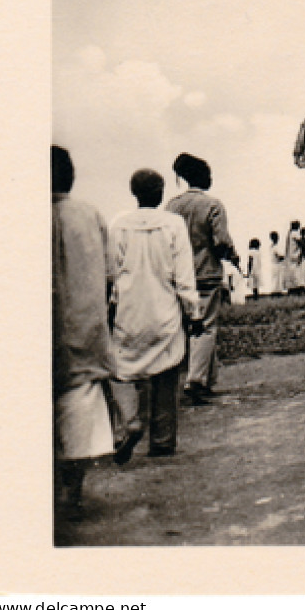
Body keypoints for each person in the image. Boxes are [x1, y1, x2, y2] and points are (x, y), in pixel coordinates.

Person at [108, 168, 201, 462]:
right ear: (161, 193)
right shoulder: (173, 224)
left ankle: (130, 421)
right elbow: (184, 276)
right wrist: (193, 312)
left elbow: (111, 274)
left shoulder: (119, 225)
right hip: (165, 312)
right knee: (166, 370)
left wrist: (111, 305)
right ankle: (162, 440)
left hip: (129, 312)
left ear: (134, 193)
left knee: (121, 369)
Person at [51, 146, 116, 516]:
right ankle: (71, 493)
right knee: (77, 415)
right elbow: (108, 274)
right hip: (83, 332)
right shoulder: (89, 214)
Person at [165, 153, 235, 405]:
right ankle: (195, 381)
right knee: (206, 327)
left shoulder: (172, 206)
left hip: (180, 276)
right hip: (206, 273)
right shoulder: (213, 205)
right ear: (202, 177)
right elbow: (221, 242)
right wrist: (231, 255)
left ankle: (206, 379)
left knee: (193, 327)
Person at [258, 231, 282, 297]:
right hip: (277, 264)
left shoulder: (271, 247)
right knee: (277, 279)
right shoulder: (276, 247)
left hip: (273, 264)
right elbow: (279, 256)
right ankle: (276, 292)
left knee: (275, 279)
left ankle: (275, 292)